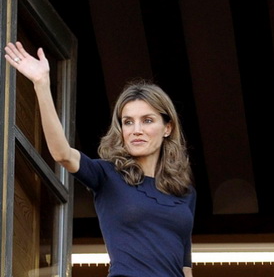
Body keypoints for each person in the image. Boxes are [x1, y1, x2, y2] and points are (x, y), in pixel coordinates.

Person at [4, 42, 196, 277]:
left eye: (147, 120)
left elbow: (185, 266)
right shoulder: (106, 175)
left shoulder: (185, 193)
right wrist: (41, 84)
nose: (136, 130)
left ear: (167, 128)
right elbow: (62, 153)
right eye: (128, 122)